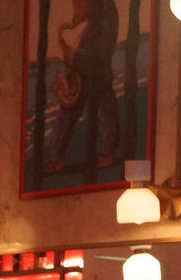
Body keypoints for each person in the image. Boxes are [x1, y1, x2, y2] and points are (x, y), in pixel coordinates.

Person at [44, 0, 119, 175]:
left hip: (97, 78)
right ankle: (57, 159)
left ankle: (107, 154)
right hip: (83, 77)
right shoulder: (95, 24)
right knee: (69, 116)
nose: (75, 10)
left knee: (104, 114)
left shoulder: (104, 20)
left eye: (78, 4)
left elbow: (100, 55)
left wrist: (73, 56)